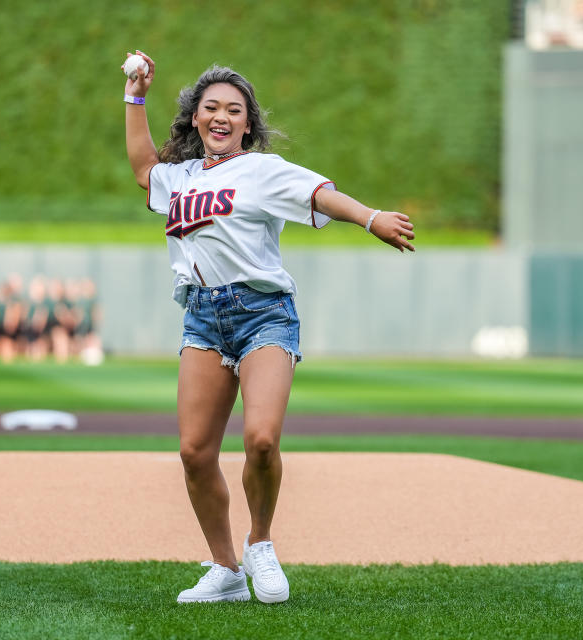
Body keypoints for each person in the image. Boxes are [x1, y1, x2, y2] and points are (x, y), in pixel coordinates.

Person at [122, 51, 415, 604]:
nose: (221, 116)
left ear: (247, 123)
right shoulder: (180, 176)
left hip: (263, 313)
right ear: (194, 117)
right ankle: (226, 568)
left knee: (260, 439)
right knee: (194, 452)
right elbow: (143, 169)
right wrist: (135, 95)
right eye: (211, 107)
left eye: (234, 109)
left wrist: (371, 217)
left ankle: (260, 544)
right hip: (203, 318)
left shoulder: (261, 169)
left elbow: (318, 195)